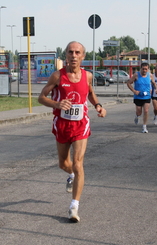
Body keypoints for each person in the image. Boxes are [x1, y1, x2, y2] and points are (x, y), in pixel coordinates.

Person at [38, 41, 106, 223]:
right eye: (70, 52)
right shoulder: (57, 76)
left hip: (81, 124)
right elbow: (41, 97)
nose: (74, 55)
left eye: (77, 52)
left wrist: (98, 105)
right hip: (62, 124)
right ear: (66, 55)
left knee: (78, 163)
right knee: (63, 163)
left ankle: (74, 206)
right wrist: (56, 104)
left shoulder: (88, 76)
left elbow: (90, 92)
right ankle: (72, 176)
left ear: (83, 56)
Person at [127, 62, 157, 133]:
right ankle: (137, 116)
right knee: (139, 111)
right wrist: (134, 91)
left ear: (148, 69)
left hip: (147, 96)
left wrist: (155, 89)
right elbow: (128, 83)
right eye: (143, 69)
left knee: (146, 111)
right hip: (138, 97)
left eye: (146, 69)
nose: (144, 70)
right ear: (141, 68)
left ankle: (144, 127)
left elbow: (153, 82)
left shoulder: (150, 75)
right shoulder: (136, 75)